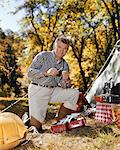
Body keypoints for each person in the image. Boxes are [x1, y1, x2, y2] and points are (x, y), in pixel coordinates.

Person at [27, 36, 87, 132]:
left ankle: (60, 123)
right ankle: (29, 120)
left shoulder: (65, 65)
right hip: (38, 90)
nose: (61, 51)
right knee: (36, 127)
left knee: (74, 93)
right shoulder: (43, 56)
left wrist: (66, 80)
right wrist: (46, 73)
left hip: (53, 90)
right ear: (54, 46)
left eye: (65, 49)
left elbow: (64, 86)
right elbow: (29, 73)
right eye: (59, 47)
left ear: (67, 50)